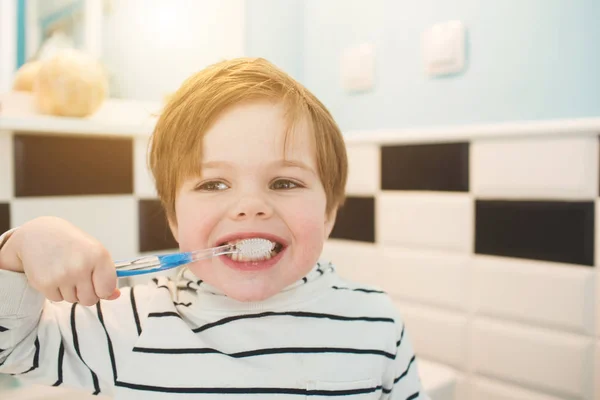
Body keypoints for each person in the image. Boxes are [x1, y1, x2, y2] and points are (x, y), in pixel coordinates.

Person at [0, 58, 428, 399]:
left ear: (329, 212)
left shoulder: (375, 323)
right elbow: (10, 349)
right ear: (174, 219)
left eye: (284, 182)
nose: (250, 207)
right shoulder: (130, 321)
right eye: (213, 184)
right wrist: (20, 250)